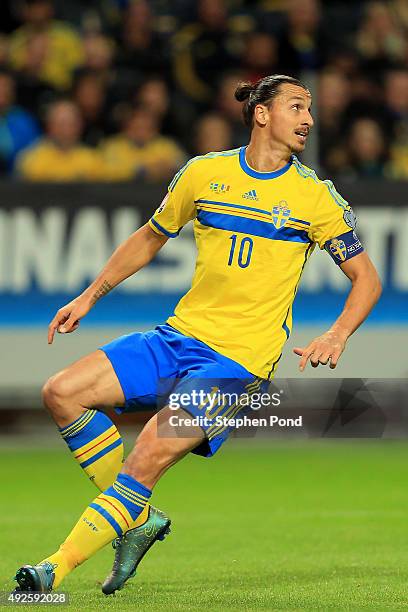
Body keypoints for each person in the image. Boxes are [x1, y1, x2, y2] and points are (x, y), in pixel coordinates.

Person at [13, 74, 381, 594]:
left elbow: (367, 277)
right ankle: (138, 520)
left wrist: (339, 333)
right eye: (297, 107)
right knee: (61, 392)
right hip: (178, 338)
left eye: (310, 109)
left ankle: (52, 570)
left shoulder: (314, 197)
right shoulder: (204, 173)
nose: (309, 120)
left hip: (238, 363)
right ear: (261, 114)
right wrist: (90, 295)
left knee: (146, 453)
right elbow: (150, 236)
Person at [16, 99, 103, 181]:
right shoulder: (31, 160)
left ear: (80, 126)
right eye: (60, 124)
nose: (65, 130)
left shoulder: (93, 161)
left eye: (70, 124)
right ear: (49, 126)